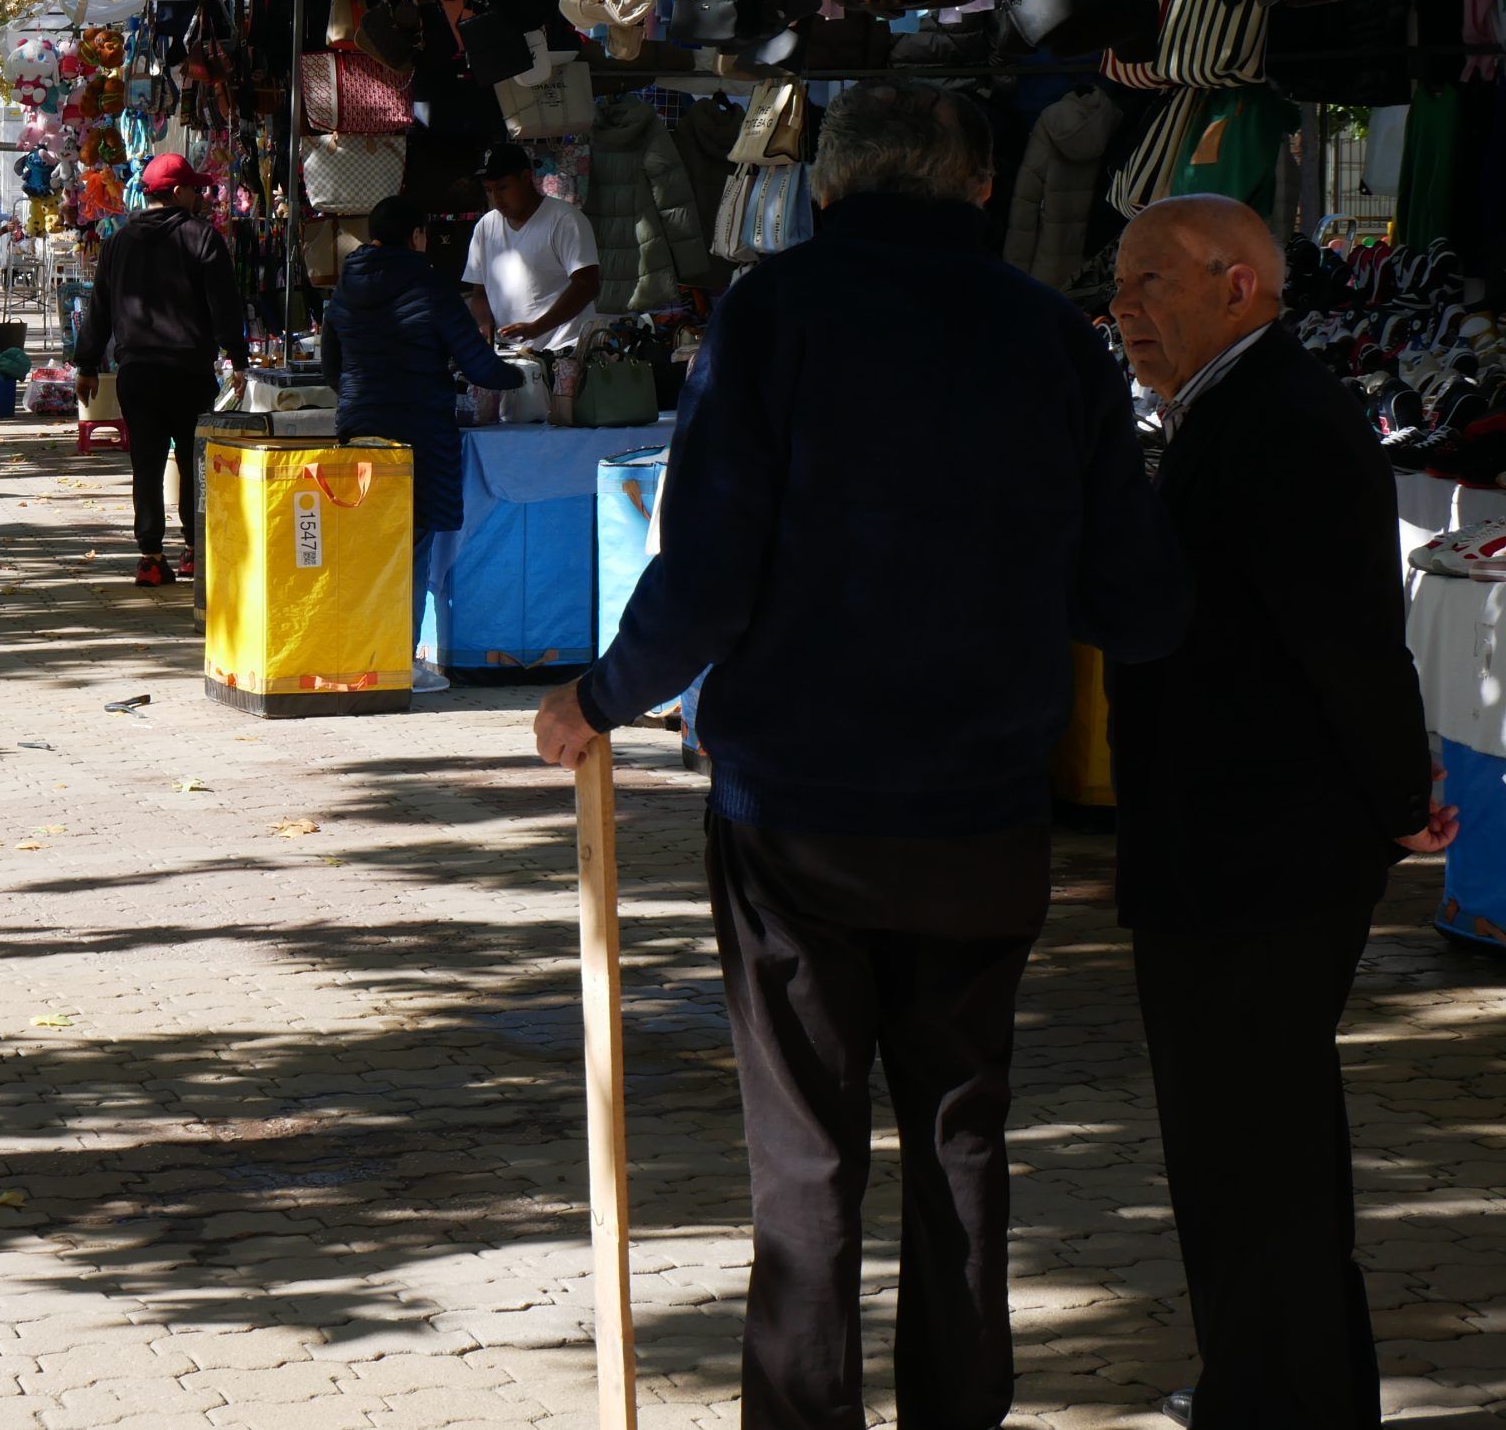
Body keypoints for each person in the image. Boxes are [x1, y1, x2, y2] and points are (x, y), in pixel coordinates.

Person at [531, 82, 1190, 1428]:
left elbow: (706, 571)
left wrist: (599, 696)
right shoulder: (1050, 337)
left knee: (806, 1160)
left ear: (822, 191)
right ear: (980, 186)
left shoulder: (774, 316)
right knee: (961, 1138)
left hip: (801, 818)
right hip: (983, 812)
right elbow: (1142, 603)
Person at [1106, 195, 1456, 1430]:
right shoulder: (1226, 411)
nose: (1125, 309)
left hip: (1262, 848)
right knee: (1228, 1141)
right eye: (1121, 285)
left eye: (1150, 282)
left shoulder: (1285, 420)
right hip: (1224, 838)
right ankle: (1265, 1381)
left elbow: (1349, 640)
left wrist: (1404, 798)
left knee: (1257, 1141)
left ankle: (1288, 1393)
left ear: (1236, 286)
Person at [320, 196, 524, 693]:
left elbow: (331, 365)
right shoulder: (428, 283)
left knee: (366, 548)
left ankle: (359, 654)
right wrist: (520, 376)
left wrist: (358, 399)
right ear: (415, 235)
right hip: (417, 436)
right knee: (409, 550)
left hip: (359, 430)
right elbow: (476, 363)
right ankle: (397, 662)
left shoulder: (346, 286)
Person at [74, 153, 248, 586]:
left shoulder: (118, 242)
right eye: (194, 188)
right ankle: (194, 549)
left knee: (146, 464)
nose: (199, 194)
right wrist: (239, 358)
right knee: (194, 461)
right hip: (188, 371)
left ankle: (151, 557)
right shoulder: (202, 237)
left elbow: (99, 308)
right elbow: (224, 305)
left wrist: (87, 363)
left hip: (138, 373)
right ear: (175, 193)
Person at [462, 144, 602, 408]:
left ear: (526, 178)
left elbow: (587, 284)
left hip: (566, 356)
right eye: (489, 190)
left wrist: (538, 326)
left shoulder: (565, 220)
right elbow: (478, 292)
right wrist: (485, 328)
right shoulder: (485, 227)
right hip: (515, 360)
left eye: (502, 187)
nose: (496, 198)